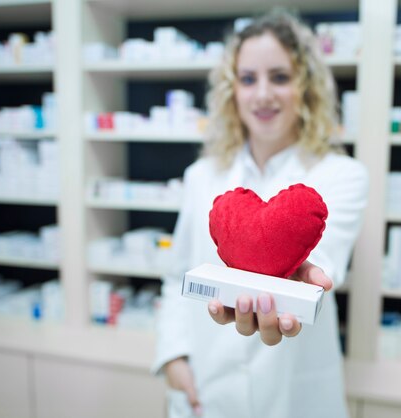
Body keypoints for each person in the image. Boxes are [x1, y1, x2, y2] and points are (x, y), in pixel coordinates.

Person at [153, 10, 369, 418]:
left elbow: (321, 266)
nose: (263, 94)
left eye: (280, 77)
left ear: (305, 86)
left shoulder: (343, 174)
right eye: (248, 78)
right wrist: (173, 356)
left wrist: (293, 286)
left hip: (294, 395)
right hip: (206, 386)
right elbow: (176, 273)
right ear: (232, 90)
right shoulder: (202, 176)